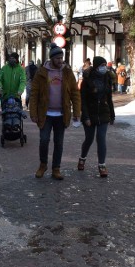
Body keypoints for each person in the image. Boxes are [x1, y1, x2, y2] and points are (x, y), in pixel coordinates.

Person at [29, 45, 81, 180]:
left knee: (59, 142)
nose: (60, 61)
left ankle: (56, 168)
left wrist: (76, 112)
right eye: (58, 58)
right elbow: (34, 93)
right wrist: (33, 112)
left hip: (61, 114)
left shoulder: (67, 72)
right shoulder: (41, 72)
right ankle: (43, 164)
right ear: (51, 58)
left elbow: (75, 93)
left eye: (61, 58)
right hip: (45, 114)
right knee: (44, 140)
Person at [78, 56, 115, 177]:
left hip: (103, 113)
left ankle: (102, 165)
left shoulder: (107, 78)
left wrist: (112, 115)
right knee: (89, 139)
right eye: (102, 65)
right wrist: (86, 117)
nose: (104, 68)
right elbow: (82, 100)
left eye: (105, 65)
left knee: (101, 139)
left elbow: (109, 98)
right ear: (96, 66)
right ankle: (82, 158)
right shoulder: (87, 79)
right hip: (90, 113)